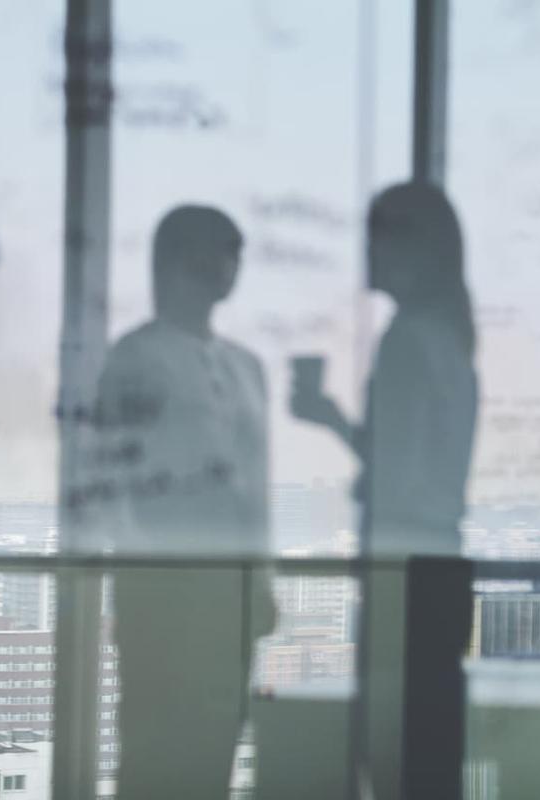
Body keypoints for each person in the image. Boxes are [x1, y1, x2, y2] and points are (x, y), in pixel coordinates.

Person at [291, 182, 478, 799]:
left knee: (396, 758)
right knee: (428, 758)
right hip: (441, 565)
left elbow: (392, 475)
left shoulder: (406, 339)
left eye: (377, 235)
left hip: (404, 573)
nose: (365, 250)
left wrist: (334, 426)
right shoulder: (448, 336)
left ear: (411, 249)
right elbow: (415, 461)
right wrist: (335, 420)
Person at [93, 205, 275, 796]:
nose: (234, 265)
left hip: (231, 594)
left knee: (217, 747)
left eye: (237, 252)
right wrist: (141, 576)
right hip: (163, 593)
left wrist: (262, 578)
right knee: (154, 750)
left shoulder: (247, 367)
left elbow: (257, 487)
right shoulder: (136, 358)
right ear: (179, 259)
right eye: (224, 249)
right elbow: (110, 481)